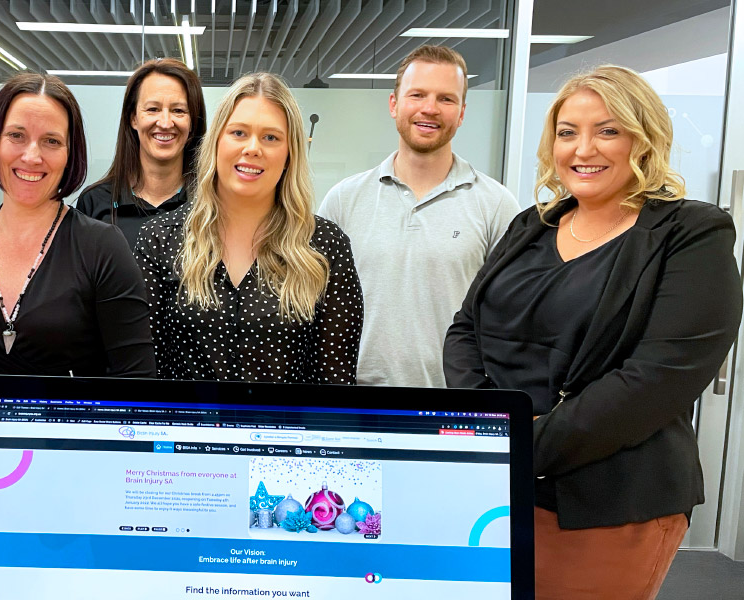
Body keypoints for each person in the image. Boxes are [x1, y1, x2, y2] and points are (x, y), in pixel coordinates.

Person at [443, 65, 742, 600]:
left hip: (606, 502)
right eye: (567, 132)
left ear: (644, 139)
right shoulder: (531, 225)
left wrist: (514, 444)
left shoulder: (690, 234)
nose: (584, 148)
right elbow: (466, 328)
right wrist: (491, 428)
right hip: (495, 488)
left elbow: (653, 381)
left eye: (608, 130)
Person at [0, 72, 155, 595]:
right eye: (17, 136)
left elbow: (137, 383)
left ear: (70, 153)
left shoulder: (103, 248)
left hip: (77, 490)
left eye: (51, 141)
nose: (32, 155)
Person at [136, 72, 363, 384]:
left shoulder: (325, 246)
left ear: (289, 154)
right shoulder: (160, 239)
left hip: (289, 433)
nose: (253, 148)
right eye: (239, 133)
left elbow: (336, 384)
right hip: (187, 431)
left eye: (271, 137)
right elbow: (146, 376)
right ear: (216, 142)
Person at [317, 44, 519, 387]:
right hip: (356, 407)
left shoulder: (497, 206)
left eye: (446, 99)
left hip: (455, 409)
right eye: (417, 94)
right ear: (394, 104)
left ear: (462, 112)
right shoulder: (343, 201)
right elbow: (314, 311)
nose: (430, 109)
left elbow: (512, 320)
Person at [76, 58, 206, 248]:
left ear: (193, 121)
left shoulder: (210, 203)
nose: (165, 123)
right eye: (153, 109)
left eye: (178, 110)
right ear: (133, 118)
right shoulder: (95, 203)